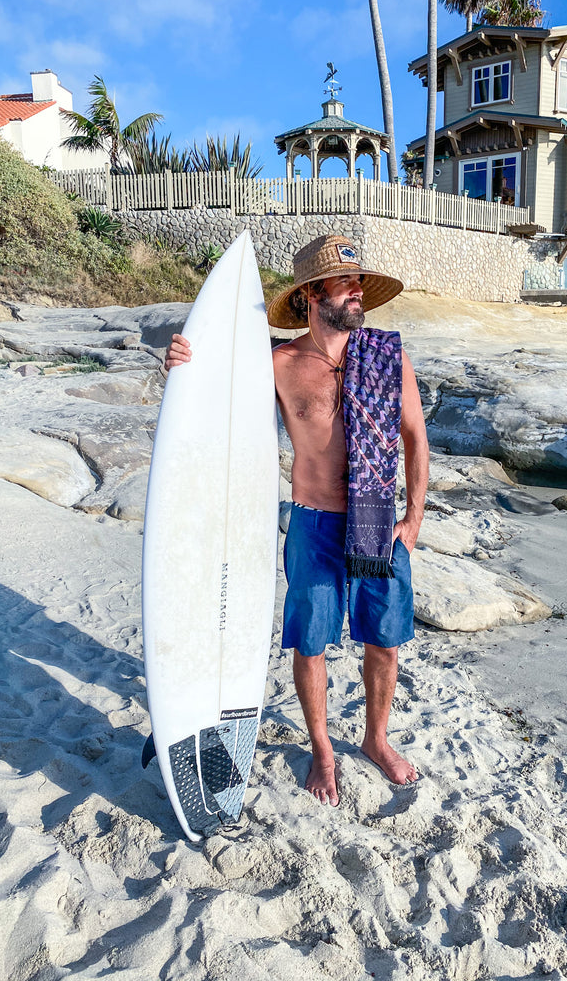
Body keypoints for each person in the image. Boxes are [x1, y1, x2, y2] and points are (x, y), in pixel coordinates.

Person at [165, 235, 429, 807]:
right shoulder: (278, 364)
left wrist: (414, 516)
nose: (358, 291)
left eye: (360, 282)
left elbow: (415, 438)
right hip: (313, 525)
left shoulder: (389, 356)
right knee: (310, 643)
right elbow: (219, 398)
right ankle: (323, 748)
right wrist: (183, 361)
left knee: (383, 642)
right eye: (346, 283)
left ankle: (376, 740)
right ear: (312, 294)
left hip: (380, 521)